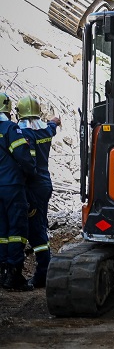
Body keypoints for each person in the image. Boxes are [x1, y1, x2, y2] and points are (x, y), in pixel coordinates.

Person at [16, 95, 60, 288]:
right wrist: (54, 121)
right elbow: (52, 126)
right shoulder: (45, 132)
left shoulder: (27, 134)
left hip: (33, 187)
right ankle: (43, 269)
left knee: (36, 230)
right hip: (45, 184)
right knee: (40, 224)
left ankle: (42, 273)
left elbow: (29, 165)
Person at [0, 92, 37, 291]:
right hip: (13, 186)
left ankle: (2, 271)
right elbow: (23, 156)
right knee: (16, 230)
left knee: (2, 231)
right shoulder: (11, 129)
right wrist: (32, 173)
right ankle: (14, 274)